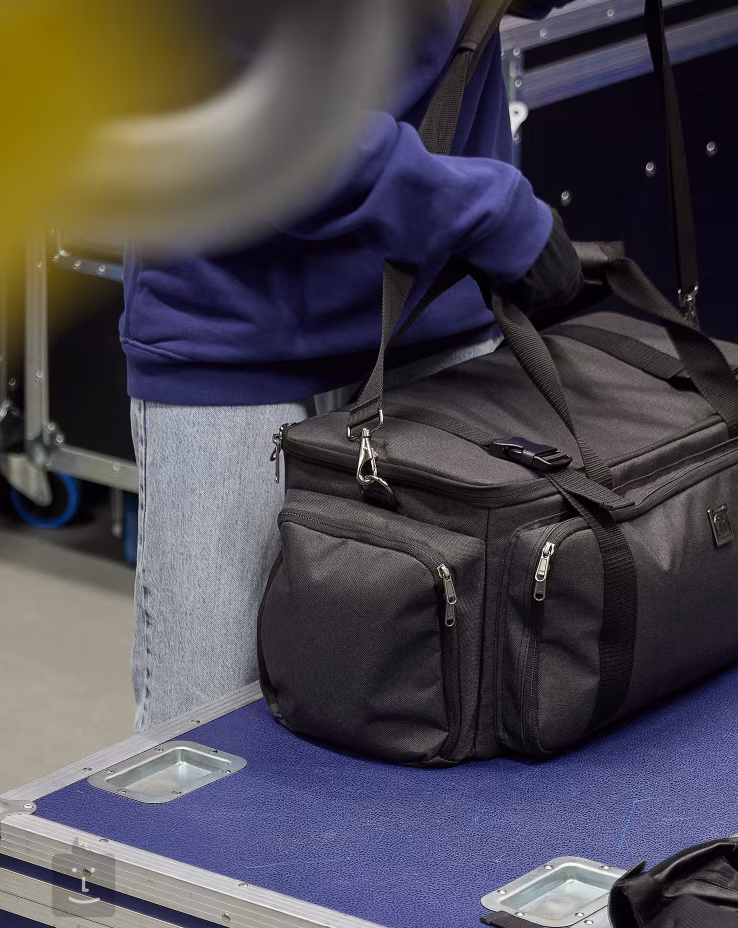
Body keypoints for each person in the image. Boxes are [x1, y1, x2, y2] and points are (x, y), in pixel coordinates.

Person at [122, 0, 579, 731]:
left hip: (432, 312)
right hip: (233, 327)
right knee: (207, 739)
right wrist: (497, 217)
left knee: (452, 718)